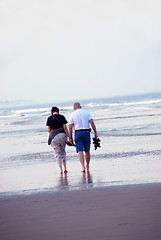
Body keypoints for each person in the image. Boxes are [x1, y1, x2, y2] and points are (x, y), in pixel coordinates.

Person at [68, 102, 98, 172]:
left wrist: (70, 138)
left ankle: (83, 167)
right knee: (87, 150)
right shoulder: (86, 112)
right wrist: (95, 132)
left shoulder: (72, 114)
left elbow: (70, 127)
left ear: (74, 108)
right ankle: (87, 166)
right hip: (86, 132)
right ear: (80, 106)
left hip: (78, 132)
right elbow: (92, 122)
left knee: (80, 150)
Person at [46, 106, 69, 174]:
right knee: (63, 152)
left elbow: (49, 130)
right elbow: (65, 128)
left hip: (54, 137)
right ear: (58, 111)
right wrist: (68, 137)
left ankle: (60, 169)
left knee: (57, 153)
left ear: (52, 112)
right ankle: (65, 168)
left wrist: (53, 135)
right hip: (62, 135)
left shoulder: (49, 118)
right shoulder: (62, 116)